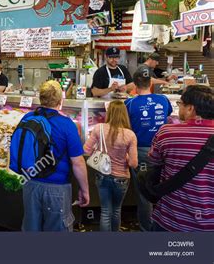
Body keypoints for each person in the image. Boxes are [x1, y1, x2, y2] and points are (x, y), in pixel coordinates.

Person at [21, 80, 90, 231]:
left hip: (29, 183)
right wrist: (84, 189)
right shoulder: (67, 124)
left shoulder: (27, 118)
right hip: (57, 189)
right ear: (60, 100)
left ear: (41, 99)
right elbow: (78, 162)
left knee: (31, 229)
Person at [148, 85, 214, 231]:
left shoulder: (167, 132)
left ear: (190, 109)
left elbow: (153, 161)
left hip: (170, 221)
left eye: (180, 104)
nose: (179, 109)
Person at [125, 69, 173, 231]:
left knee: (144, 194)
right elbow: (169, 116)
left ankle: (147, 230)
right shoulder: (163, 100)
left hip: (141, 151)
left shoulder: (130, 103)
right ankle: (162, 227)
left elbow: (126, 126)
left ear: (135, 84)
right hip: (163, 151)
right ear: (151, 82)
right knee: (162, 190)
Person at [84, 101, 138, 231]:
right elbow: (133, 163)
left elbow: (86, 150)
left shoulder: (99, 128)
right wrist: (123, 157)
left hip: (102, 176)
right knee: (116, 210)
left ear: (109, 113)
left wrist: (100, 149)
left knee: (105, 211)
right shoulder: (130, 135)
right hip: (122, 178)